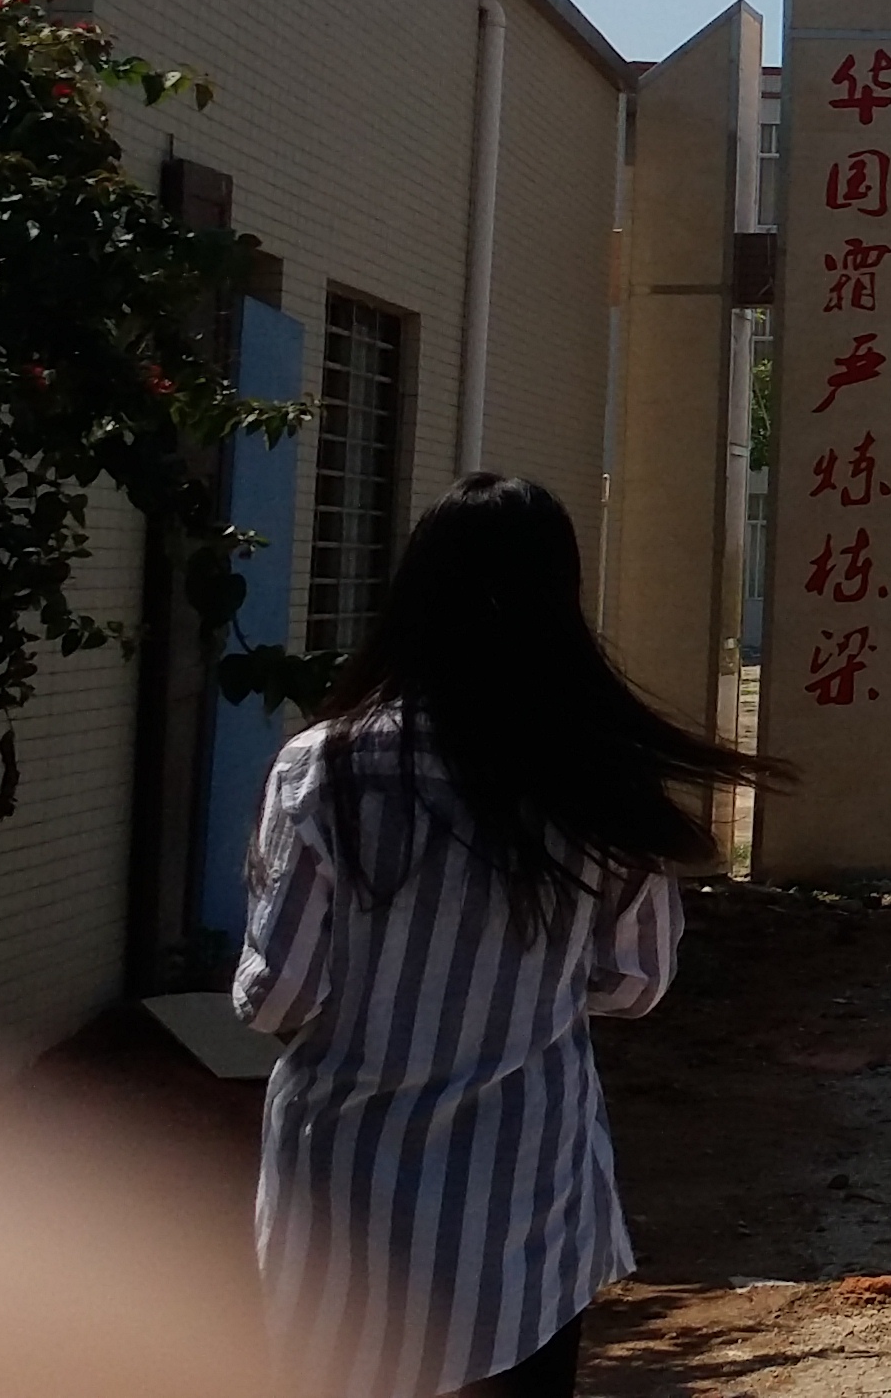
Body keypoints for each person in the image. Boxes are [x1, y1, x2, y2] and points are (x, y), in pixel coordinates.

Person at [232, 475, 774, 1398]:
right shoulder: (598, 776)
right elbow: (636, 983)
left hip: (341, 1186)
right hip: (525, 1193)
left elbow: (277, 994)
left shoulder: (321, 768)